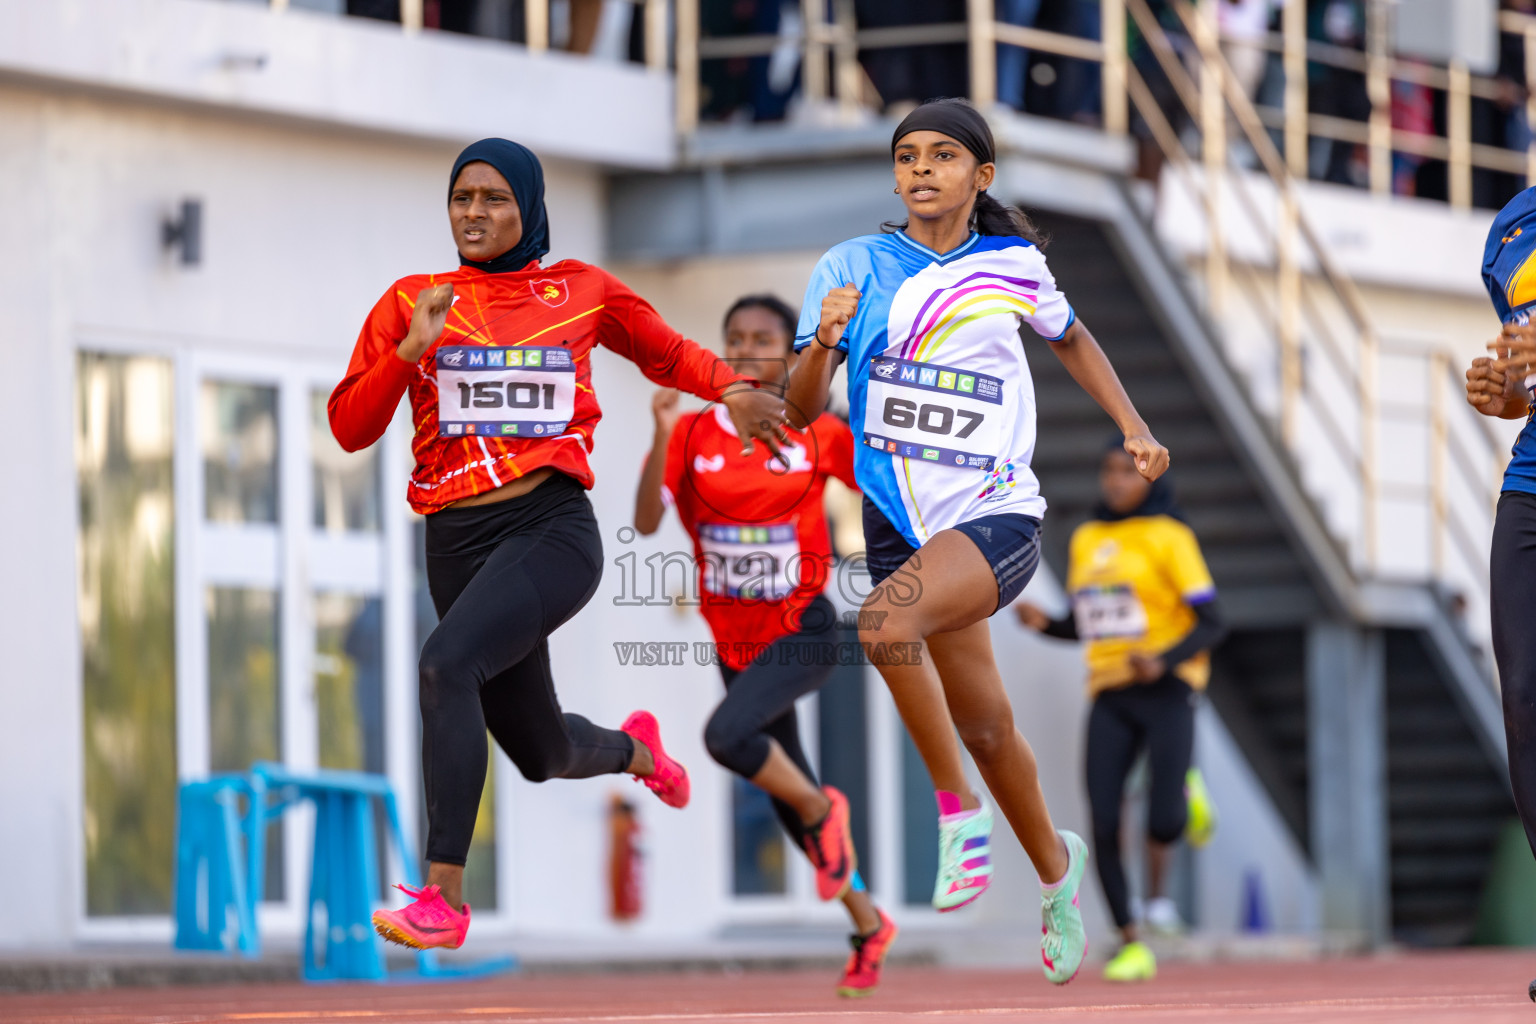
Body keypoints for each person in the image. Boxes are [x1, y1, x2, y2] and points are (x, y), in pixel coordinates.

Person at [328, 137, 787, 951]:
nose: (475, 212)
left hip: (550, 529)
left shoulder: (580, 290)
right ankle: (638, 752)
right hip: (455, 542)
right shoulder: (413, 302)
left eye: (494, 198)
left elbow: (666, 351)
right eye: (462, 197)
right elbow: (349, 426)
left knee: (443, 665)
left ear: (530, 207)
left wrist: (735, 390)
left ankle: (443, 897)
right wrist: (408, 353)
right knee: (541, 753)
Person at [785, 98, 1170, 985]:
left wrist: (1134, 426)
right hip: (900, 523)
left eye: (943, 156)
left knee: (884, 625)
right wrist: (826, 344)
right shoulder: (850, 266)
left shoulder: (1013, 265)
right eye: (907, 156)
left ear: (980, 176)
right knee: (991, 728)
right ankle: (1055, 874)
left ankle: (956, 814)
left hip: (996, 512)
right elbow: (803, 409)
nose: (921, 169)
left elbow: (1074, 341)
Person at [632, 294, 898, 997]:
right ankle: (870, 925)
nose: (748, 350)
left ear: (790, 353)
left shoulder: (818, 433)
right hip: (734, 643)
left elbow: (886, 495)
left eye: (764, 339)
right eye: (735, 339)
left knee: (726, 737)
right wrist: (661, 432)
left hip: (804, 629)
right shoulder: (693, 431)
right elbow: (646, 518)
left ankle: (821, 810)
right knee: (787, 794)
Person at [1015, 439, 1226, 983]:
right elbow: (1091, 622)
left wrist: (1162, 661)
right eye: (1108, 472)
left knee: (1163, 820)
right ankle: (1130, 938)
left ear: (1150, 480)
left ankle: (1182, 788)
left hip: (1167, 686)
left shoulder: (1171, 536)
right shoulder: (1087, 537)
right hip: (1108, 691)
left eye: (1127, 473)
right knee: (1104, 821)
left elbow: (1212, 622)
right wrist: (1049, 625)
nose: (1115, 482)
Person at [1465, 185, 1536, 998]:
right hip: (1532, 476)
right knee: (1523, 695)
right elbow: (1524, 371)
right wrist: (1504, 396)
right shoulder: (1513, 228)